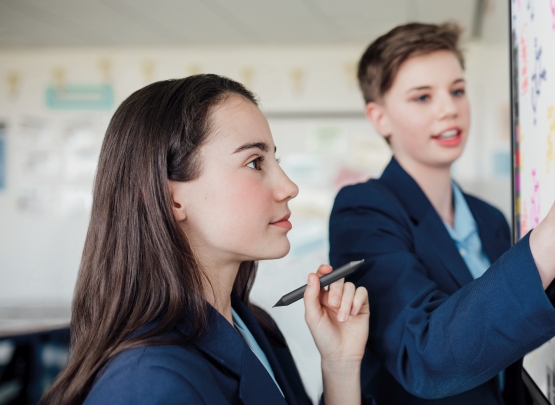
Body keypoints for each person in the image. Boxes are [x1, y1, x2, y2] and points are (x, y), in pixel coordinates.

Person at [41, 74, 372, 405]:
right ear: (173, 200)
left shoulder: (253, 326)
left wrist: (340, 366)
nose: (289, 187)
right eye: (255, 162)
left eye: (276, 161)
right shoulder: (147, 383)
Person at [329, 22, 555, 404]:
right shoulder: (363, 211)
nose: (449, 108)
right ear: (379, 117)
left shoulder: (490, 219)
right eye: (422, 97)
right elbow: (423, 355)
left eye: (457, 90)